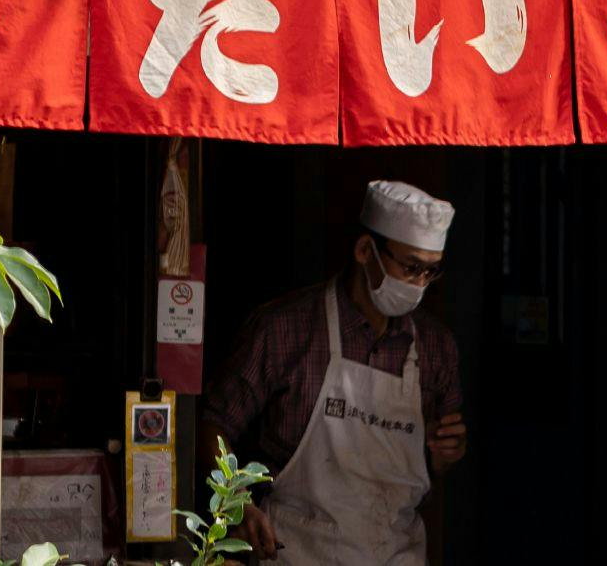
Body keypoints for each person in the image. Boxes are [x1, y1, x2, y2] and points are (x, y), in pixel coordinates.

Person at [199, 180, 469, 564]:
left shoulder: (437, 348)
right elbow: (212, 423)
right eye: (410, 268)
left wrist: (446, 455)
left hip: (396, 553)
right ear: (365, 251)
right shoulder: (283, 329)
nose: (419, 284)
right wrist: (235, 499)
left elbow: (429, 472)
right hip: (298, 551)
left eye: (431, 272)